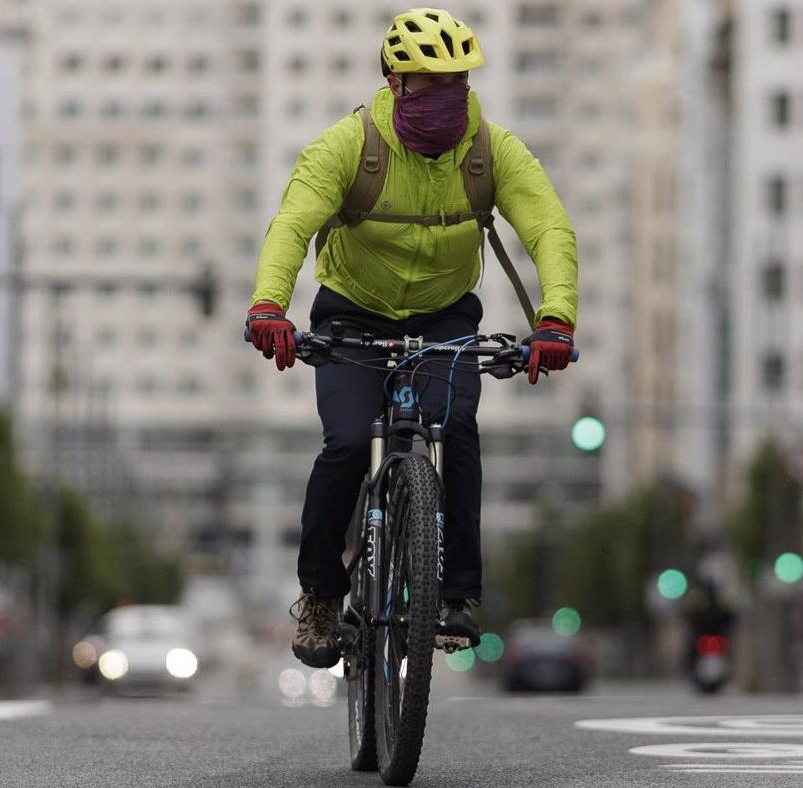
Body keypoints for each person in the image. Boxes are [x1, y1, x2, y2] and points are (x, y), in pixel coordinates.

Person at [245, 8, 579, 669]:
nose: (448, 100)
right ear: (395, 85)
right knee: (344, 442)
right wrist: (269, 306)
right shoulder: (345, 147)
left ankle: (456, 600)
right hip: (352, 316)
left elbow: (549, 229)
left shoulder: (492, 152)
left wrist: (556, 318)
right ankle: (319, 595)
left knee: (456, 431)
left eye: (458, 84)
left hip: (444, 319)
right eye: (431, 85)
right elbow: (290, 226)